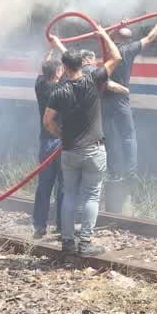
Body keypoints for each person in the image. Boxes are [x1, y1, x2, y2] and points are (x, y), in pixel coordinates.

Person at [44, 22, 121, 257]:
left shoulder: (59, 91)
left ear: (64, 67)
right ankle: (85, 243)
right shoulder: (93, 79)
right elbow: (116, 56)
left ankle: (67, 242)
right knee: (91, 195)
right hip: (94, 150)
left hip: (69, 151)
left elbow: (47, 121)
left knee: (69, 195)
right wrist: (104, 35)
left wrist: (61, 135)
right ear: (83, 65)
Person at [101, 15, 157, 212]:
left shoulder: (107, 50)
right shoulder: (129, 50)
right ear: (129, 40)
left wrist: (116, 28)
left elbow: (105, 35)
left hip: (106, 99)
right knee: (128, 136)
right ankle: (130, 172)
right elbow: (151, 37)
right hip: (121, 98)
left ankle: (113, 172)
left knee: (110, 137)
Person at [31, 55, 64, 239]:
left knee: (44, 184)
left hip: (44, 141)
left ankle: (39, 225)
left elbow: (40, 71)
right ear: (58, 72)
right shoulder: (61, 89)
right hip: (59, 140)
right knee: (63, 184)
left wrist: (48, 54)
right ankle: (61, 224)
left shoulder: (39, 85)